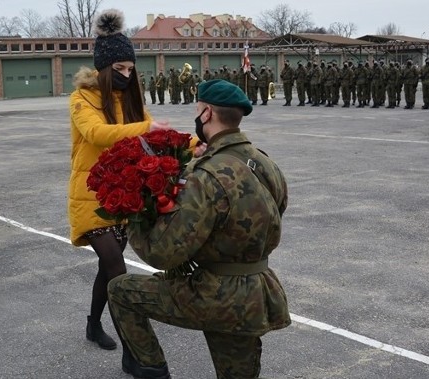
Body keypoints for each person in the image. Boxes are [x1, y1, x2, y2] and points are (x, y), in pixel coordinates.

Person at [108, 79, 290, 379]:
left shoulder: (206, 174)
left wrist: (135, 214)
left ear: (206, 114)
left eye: (198, 109)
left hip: (213, 293)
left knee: (120, 291)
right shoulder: (264, 162)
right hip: (255, 291)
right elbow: (276, 211)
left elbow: (162, 253)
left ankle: (153, 371)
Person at [67, 9, 167, 351]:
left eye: (130, 69)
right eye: (119, 69)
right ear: (104, 69)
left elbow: (157, 136)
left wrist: (199, 145)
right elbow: (96, 134)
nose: (126, 75)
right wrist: (144, 128)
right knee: (116, 268)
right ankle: (134, 348)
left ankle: (93, 325)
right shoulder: (82, 99)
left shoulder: (130, 100)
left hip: (122, 195)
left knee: (106, 268)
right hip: (90, 196)